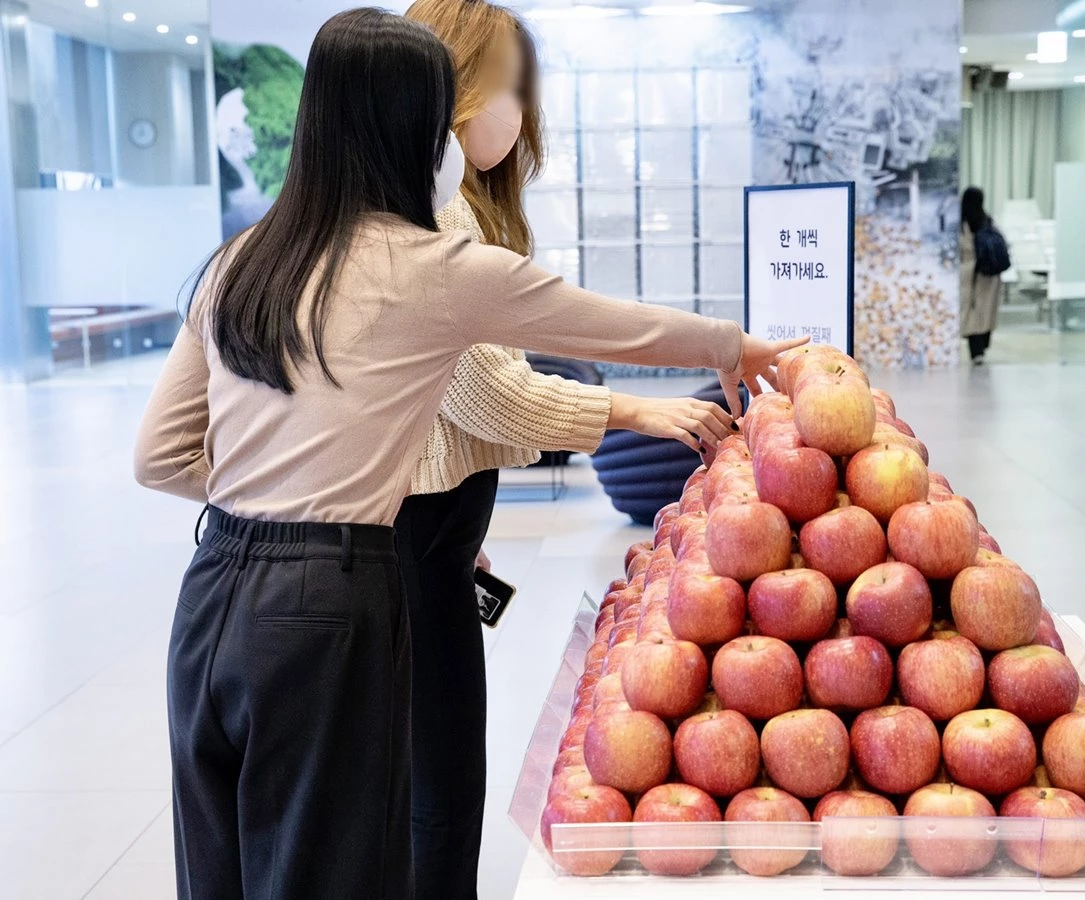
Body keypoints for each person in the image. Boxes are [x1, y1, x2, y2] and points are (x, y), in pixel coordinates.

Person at [132, 9, 806, 900]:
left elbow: (160, 456)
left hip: (211, 590)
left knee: (216, 870)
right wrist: (734, 346)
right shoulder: (432, 264)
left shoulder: (238, 263)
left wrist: (280, 495)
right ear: (415, 130)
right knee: (333, 868)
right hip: (330, 604)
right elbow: (606, 320)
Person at [396, 3, 735, 896]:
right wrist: (638, 410)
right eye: (510, 86)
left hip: (430, 533)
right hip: (403, 543)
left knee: (432, 775)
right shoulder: (437, 219)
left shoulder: (453, 209)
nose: (520, 111)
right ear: (454, 84)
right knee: (434, 787)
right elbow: (488, 392)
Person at [960, 186, 1003, 365]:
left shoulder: (962, 223)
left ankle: (976, 351)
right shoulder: (987, 220)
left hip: (970, 273)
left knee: (972, 312)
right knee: (986, 312)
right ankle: (982, 347)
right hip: (990, 275)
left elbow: (963, 247)